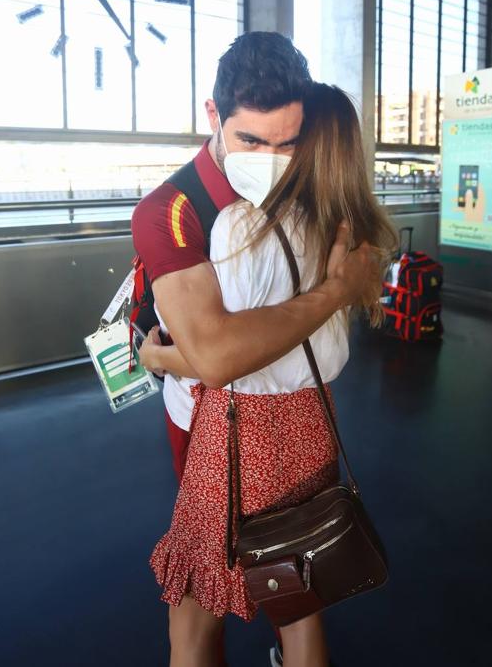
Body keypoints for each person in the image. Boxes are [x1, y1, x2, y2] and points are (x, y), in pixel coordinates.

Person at [139, 83, 396, 667]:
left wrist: (155, 357)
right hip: (311, 424)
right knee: (298, 595)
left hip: (239, 434)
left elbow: (221, 358)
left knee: (193, 613)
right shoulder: (344, 228)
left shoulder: (237, 228)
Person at [131, 33, 376, 484]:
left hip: (308, 410)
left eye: (287, 144)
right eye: (250, 141)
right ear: (213, 115)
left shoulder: (307, 186)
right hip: (209, 423)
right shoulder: (170, 212)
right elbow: (217, 359)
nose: (270, 160)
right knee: (227, 545)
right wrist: (337, 291)